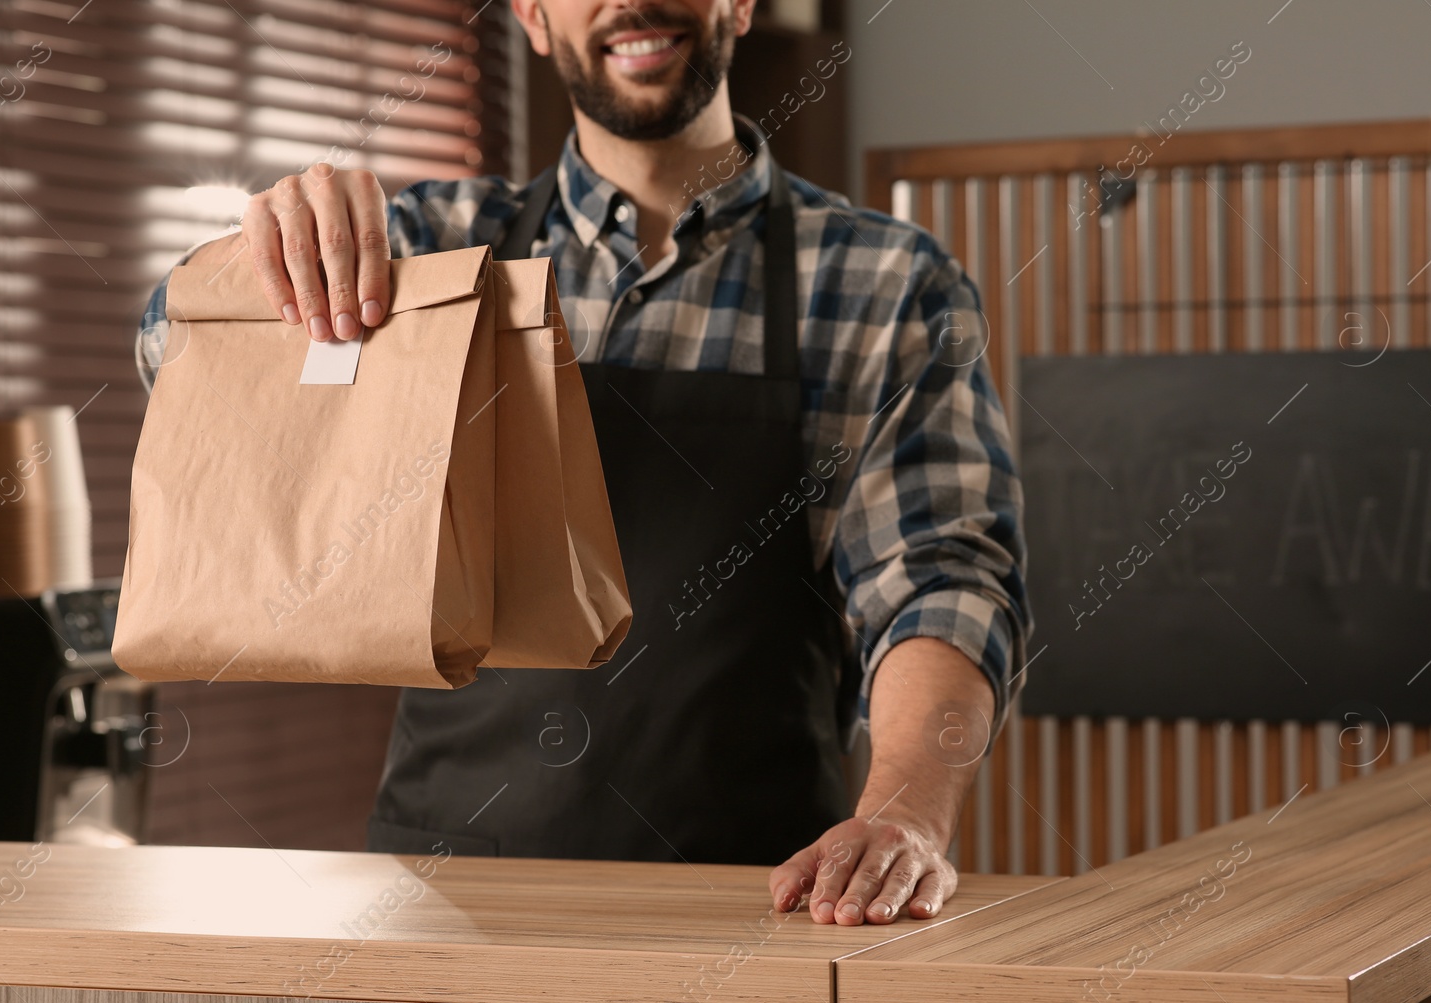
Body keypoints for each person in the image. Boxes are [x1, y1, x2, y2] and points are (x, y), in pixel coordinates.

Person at [134, 0, 1030, 927]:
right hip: (444, 901)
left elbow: (941, 580)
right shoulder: (428, 258)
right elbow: (178, 362)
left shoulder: (887, 285)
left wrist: (901, 816)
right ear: (529, 13)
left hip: (759, 904)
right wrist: (258, 259)